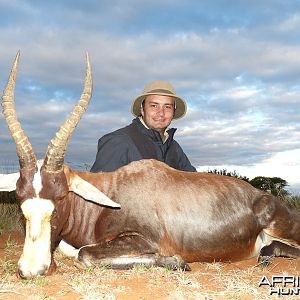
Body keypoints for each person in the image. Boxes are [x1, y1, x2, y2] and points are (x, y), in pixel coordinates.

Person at [90, 80, 196, 172]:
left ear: (173, 112)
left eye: (167, 107)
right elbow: (97, 192)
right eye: (154, 106)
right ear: (142, 109)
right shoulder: (118, 141)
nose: (161, 113)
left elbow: (194, 183)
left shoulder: (174, 147)